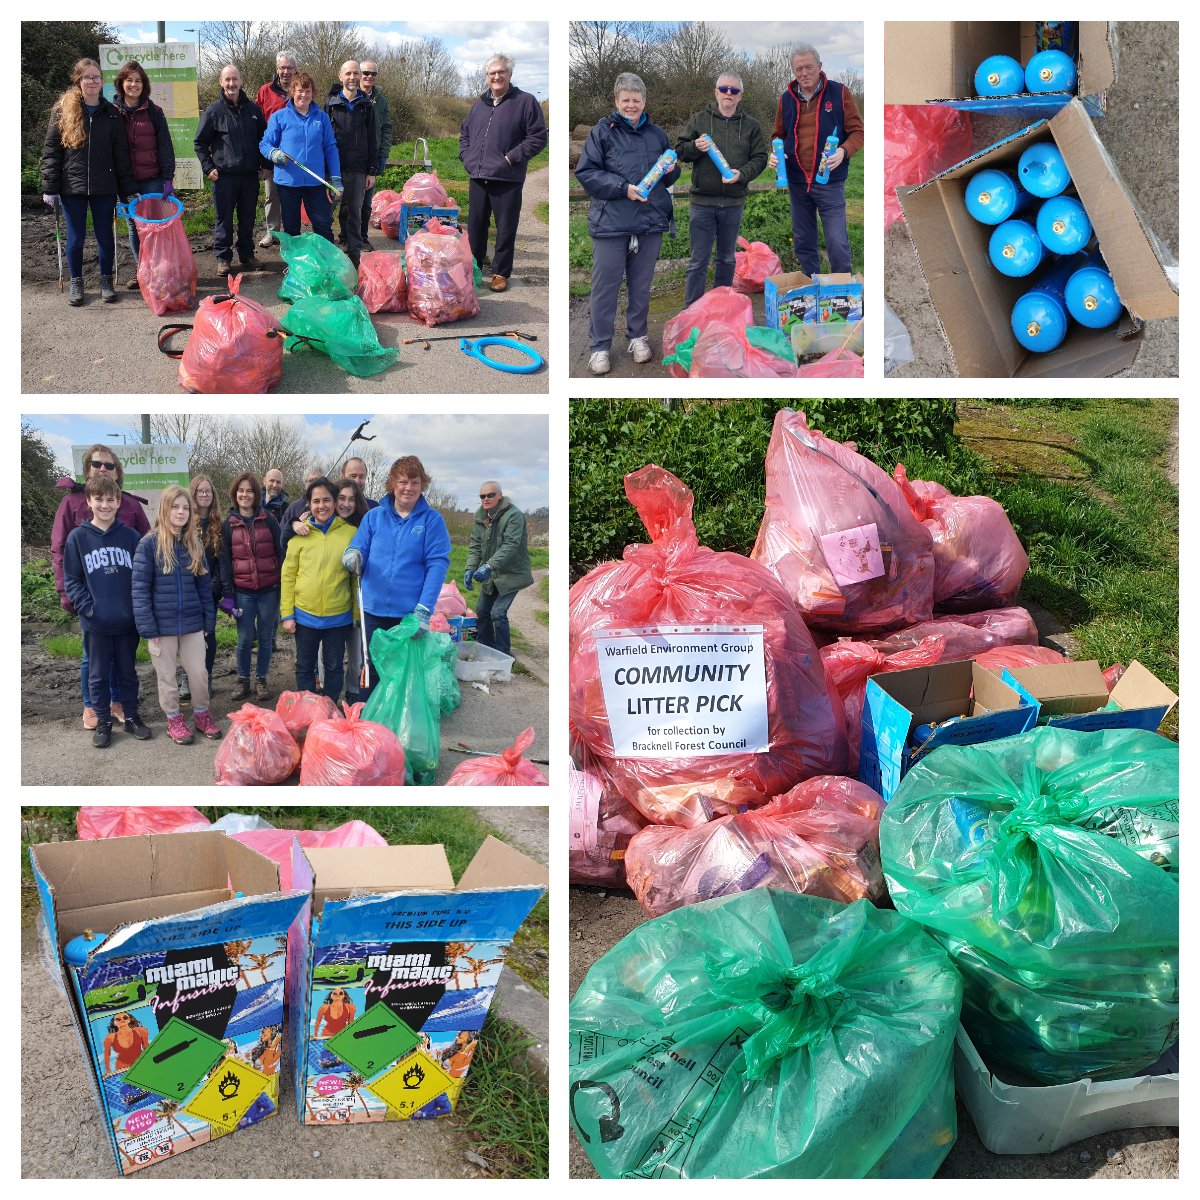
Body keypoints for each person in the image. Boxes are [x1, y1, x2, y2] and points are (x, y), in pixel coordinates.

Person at [575, 73, 680, 375]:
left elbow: (668, 177)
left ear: (644, 102)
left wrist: (673, 169)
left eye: (636, 100)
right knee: (605, 287)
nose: (631, 105)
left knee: (642, 285)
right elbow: (587, 173)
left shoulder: (658, 134)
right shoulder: (601, 132)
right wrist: (624, 188)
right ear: (616, 101)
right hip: (611, 222)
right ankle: (599, 347)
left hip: (649, 221)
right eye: (626, 100)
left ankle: (638, 337)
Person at [51, 444, 150, 730]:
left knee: (126, 667)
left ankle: (124, 709)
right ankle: (96, 712)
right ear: (90, 501)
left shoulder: (131, 522)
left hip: (125, 612)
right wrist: (78, 601)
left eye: (109, 465)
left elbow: (144, 556)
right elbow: (66, 562)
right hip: (95, 611)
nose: (103, 469)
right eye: (97, 464)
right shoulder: (74, 518)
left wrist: (138, 605)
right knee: (94, 666)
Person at [341, 456, 452, 701]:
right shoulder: (373, 517)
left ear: (423, 485)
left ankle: (399, 725)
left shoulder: (432, 521)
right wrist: (352, 555)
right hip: (373, 609)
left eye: (415, 482)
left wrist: (424, 609)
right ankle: (367, 719)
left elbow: (437, 564)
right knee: (370, 666)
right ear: (392, 484)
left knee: (404, 671)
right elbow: (358, 547)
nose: (408, 488)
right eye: (403, 481)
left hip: (409, 614)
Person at [41, 58, 136, 306]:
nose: (92, 81)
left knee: (105, 236)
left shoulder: (113, 115)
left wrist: (128, 191)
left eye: (96, 77)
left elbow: (121, 157)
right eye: (87, 78)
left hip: (104, 187)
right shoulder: (63, 111)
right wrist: (50, 187)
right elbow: (52, 151)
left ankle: (106, 281)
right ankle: (76, 283)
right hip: (72, 187)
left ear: (102, 82)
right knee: (76, 237)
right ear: (79, 81)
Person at [131, 487, 222, 746]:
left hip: (193, 624)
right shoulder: (148, 544)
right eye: (175, 507)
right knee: (167, 677)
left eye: (185, 508)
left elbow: (205, 588)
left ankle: (202, 715)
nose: (180, 512)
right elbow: (139, 589)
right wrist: (148, 628)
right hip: (161, 627)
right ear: (165, 509)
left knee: (198, 674)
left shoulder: (194, 544)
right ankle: (174, 719)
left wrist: (208, 622)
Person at [768, 44, 864, 276]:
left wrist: (843, 150)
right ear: (793, 71)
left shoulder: (840, 93)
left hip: (829, 182)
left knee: (837, 242)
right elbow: (777, 135)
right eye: (798, 69)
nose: (804, 73)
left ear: (819, 67)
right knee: (803, 240)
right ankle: (813, 289)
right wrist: (775, 155)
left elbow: (858, 133)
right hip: (797, 182)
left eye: (809, 67)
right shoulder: (786, 99)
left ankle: (841, 291)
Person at [675, 72, 769, 307]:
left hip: (733, 203)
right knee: (698, 261)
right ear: (716, 92)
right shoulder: (699, 119)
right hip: (702, 203)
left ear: (741, 96)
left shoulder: (751, 125)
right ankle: (692, 310)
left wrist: (742, 174)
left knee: (726, 260)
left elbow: (760, 158)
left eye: (734, 90)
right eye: (724, 89)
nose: (729, 94)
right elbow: (679, 150)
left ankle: (721, 309)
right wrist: (695, 146)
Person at [459, 53, 547, 293]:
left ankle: (500, 273)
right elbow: (464, 134)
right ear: (486, 77)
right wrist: (466, 157)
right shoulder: (478, 105)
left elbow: (538, 137)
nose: (497, 76)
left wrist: (510, 158)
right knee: (476, 225)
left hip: (507, 178)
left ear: (509, 74)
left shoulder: (525, 101)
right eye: (492, 73)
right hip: (478, 176)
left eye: (501, 72)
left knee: (506, 227)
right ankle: (475, 269)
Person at [279, 476, 357, 703]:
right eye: (316, 501)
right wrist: (287, 614)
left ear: (334, 503)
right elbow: (288, 577)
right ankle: (308, 709)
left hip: (338, 617)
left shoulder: (350, 533)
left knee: (333, 667)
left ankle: (330, 707)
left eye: (326, 500)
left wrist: (354, 613)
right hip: (304, 616)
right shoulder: (299, 535)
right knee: (304, 665)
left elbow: (355, 579)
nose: (321, 506)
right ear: (309, 505)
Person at [194, 64, 268, 277]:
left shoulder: (253, 110)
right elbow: (199, 143)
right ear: (221, 82)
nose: (231, 84)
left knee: (248, 218)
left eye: (235, 79)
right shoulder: (213, 111)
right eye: (227, 80)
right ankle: (223, 258)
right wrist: (208, 167)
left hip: (249, 176)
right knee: (223, 219)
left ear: (241, 81)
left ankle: (246, 255)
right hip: (223, 177)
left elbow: (264, 140)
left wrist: (267, 166)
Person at [112, 60, 176, 287]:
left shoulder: (154, 112)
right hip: (126, 182)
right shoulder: (112, 112)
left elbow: (165, 146)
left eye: (138, 81)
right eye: (129, 80)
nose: (134, 85)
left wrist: (167, 178)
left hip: (152, 180)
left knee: (155, 227)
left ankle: (160, 273)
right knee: (134, 226)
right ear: (121, 83)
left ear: (144, 85)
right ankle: (144, 273)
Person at [220, 472, 282, 701]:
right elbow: (225, 560)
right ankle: (243, 680)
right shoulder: (228, 524)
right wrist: (228, 592)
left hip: (269, 591)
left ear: (256, 494)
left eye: (249, 491)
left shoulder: (269, 520)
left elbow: (280, 551)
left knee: (266, 638)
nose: (245, 494)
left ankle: (262, 680)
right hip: (243, 592)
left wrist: (282, 583)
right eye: (241, 490)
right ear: (235, 494)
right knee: (245, 638)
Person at [259, 72, 341, 244]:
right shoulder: (279, 117)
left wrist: (335, 177)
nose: (304, 95)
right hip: (288, 183)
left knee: (323, 224)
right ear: (292, 92)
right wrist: (274, 154)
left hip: (315, 183)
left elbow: (330, 148)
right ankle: (295, 265)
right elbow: (265, 144)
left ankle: (326, 262)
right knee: (291, 227)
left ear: (313, 93)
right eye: (299, 91)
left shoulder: (322, 118)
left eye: (308, 91)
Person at [463, 481, 534, 658]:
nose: (486, 499)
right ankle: (487, 648)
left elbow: (511, 545)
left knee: (498, 613)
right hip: (492, 574)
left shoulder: (514, 515)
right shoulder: (480, 517)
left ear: (499, 496)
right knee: (482, 612)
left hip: (512, 573)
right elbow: (475, 545)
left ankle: (503, 653)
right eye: (482, 496)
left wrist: (489, 565)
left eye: (490, 495)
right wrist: (470, 567)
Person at [324, 61, 377, 268]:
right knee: (326, 212)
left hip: (357, 168)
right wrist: (325, 170)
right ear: (341, 76)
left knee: (354, 212)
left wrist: (371, 171)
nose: (353, 77)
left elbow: (373, 140)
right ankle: (325, 252)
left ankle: (354, 254)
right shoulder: (330, 104)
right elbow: (322, 138)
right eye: (348, 73)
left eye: (356, 73)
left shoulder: (366, 106)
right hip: (333, 170)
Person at [255, 51, 298, 248]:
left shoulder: (300, 90)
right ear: (277, 69)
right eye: (283, 67)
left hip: (295, 155)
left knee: (292, 196)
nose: (286, 71)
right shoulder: (265, 91)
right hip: (271, 153)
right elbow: (257, 123)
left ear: (295, 70)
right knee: (271, 195)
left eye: (290, 68)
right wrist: (262, 158)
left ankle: (290, 236)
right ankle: (272, 232)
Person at [334, 478, 370, 702]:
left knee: (356, 653)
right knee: (330, 656)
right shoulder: (321, 522)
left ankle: (353, 691)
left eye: (351, 500)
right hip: (332, 601)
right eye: (341, 498)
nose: (346, 504)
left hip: (358, 600)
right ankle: (329, 693)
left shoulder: (363, 527)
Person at [189, 475, 225, 697]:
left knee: (207, 635)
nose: (204, 495)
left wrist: (215, 587)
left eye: (208, 491)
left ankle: (207, 677)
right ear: (193, 494)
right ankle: (188, 678)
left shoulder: (219, 526)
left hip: (210, 590)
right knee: (186, 636)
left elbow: (223, 561)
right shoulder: (183, 523)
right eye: (200, 491)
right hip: (186, 590)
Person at [358, 60, 392, 248]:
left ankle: (362, 237)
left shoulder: (381, 100)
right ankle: (345, 237)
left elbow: (387, 128)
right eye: (365, 72)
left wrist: (383, 155)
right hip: (352, 157)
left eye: (373, 73)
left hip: (372, 157)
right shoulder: (350, 95)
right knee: (346, 201)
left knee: (366, 202)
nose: (369, 76)